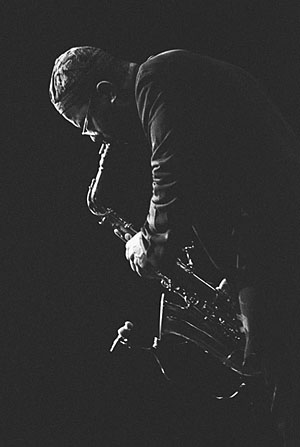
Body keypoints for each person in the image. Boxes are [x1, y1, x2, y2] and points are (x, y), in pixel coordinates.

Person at [49, 46, 300, 445]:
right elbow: (218, 177)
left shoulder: (156, 79)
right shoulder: (171, 79)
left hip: (274, 244)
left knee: (280, 391)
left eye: (85, 122)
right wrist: (229, 277)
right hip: (266, 244)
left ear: (105, 92)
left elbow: (170, 179)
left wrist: (147, 246)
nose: (92, 135)